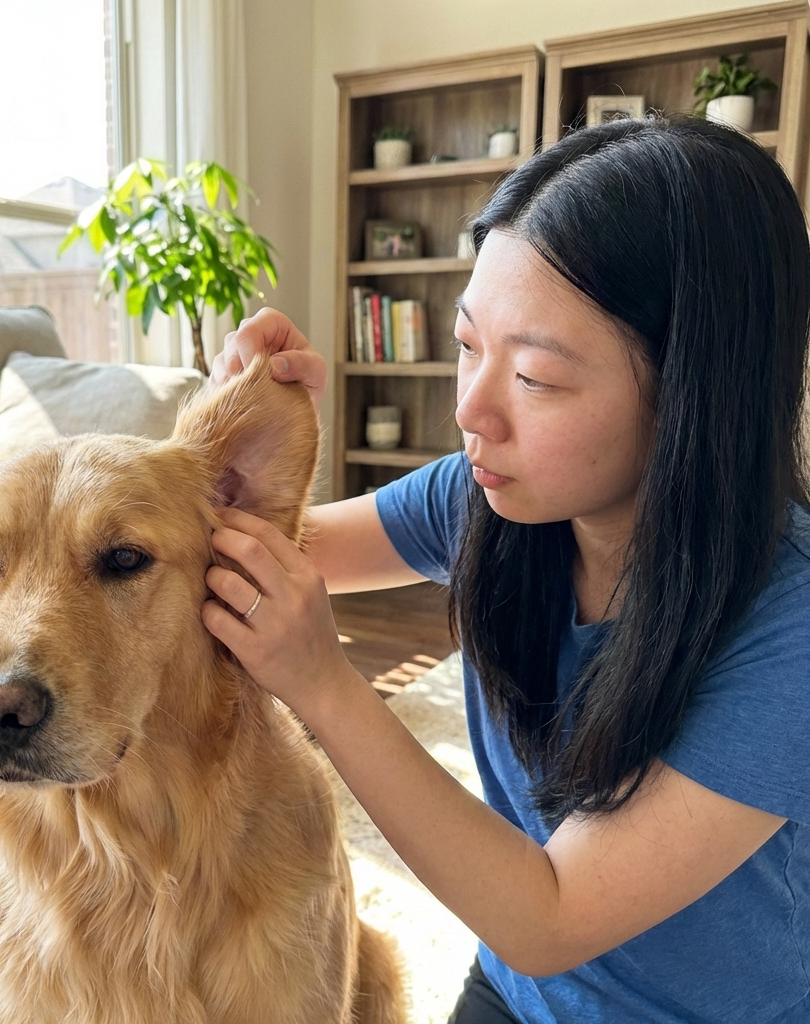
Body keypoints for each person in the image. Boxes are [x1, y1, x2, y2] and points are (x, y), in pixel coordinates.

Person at [200, 115, 810, 1024]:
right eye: (467, 344)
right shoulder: (484, 502)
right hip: (517, 993)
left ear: (694, 396)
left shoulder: (788, 630)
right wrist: (233, 439)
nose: (473, 413)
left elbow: (549, 916)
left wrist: (324, 682)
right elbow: (255, 557)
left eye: (535, 378)